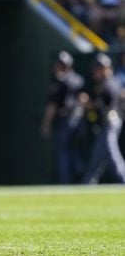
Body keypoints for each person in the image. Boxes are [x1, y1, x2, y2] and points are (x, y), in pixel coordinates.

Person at [40, 50, 86, 184]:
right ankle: (78, 167)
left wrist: (46, 124)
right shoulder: (78, 79)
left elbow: (52, 106)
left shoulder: (61, 81)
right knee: (73, 149)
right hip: (78, 119)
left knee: (62, 152)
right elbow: (84, 99)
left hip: (65, 120)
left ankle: (66, 181)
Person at [82, 53, 125, 184]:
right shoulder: (104, 83)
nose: (96, 71)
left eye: (99, 68)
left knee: (111, 151)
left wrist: (89, 104)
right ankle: (88, 182)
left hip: (111, 121)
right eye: (95, 68)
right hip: (108, 122)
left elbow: (107, 106)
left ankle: (123, 179)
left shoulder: (110, 83)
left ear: (106, 68)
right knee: (98, 154)